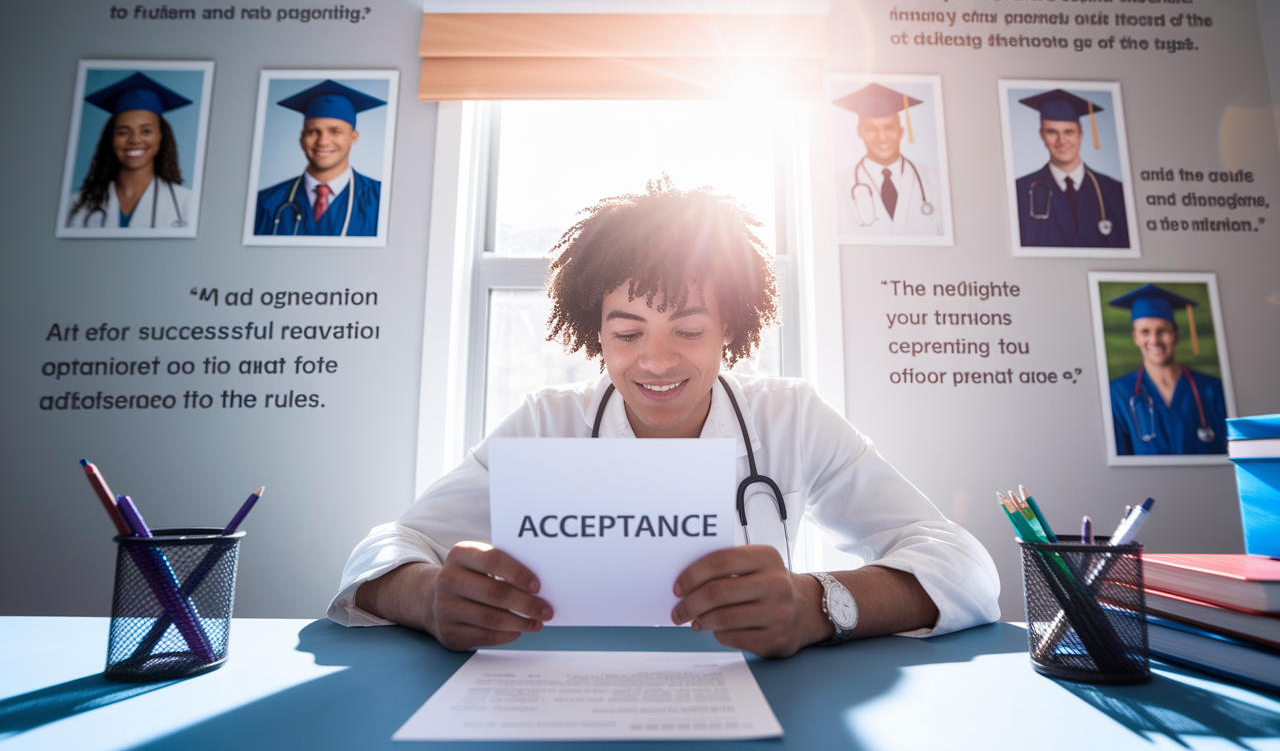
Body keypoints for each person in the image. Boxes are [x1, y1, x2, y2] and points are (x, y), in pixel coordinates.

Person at [329, 180, 1000, 658]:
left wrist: (818, 605)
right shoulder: (547, 424)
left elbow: (966, 567)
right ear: (595, 333)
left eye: (687, 329)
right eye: (627, 333)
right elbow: (385, 548)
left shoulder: (791, 419)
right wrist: (427, 598)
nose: (655, 359)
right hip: (570, 702)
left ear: (729, 329)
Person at [1107, 284, 1228, 455]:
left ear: (1175, 334)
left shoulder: (1212, 389)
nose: (1154, 340)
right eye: (1145, 332)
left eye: (1162, 331)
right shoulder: (1118, 393)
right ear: (1135, 336)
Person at [253, 80, 384, 237]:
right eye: (313, 132)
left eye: (335, 131)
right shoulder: (264, 203)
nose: (323, 142)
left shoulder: (382, 200)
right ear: (302, 138)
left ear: (353, 137)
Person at [67, 72, 195, 229]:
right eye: (123, 132)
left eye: (146, 131)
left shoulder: (186, 203)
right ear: (110, 139)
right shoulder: (76, 205)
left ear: (161, 137)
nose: (135, 139)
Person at [1014, 89, 1129, 249]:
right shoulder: (1019, 191)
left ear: (1080, 135)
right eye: (1052, 132)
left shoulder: (1115, 192)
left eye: (1069, 132)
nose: (1062, 141)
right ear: (1042, 135)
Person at [833, 83, 944, 236]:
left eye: (889, 127)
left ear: (901, 131)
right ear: (859, 132)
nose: (882, 137)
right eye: (871, 129)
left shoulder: (935, 180)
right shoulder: (837, 184)